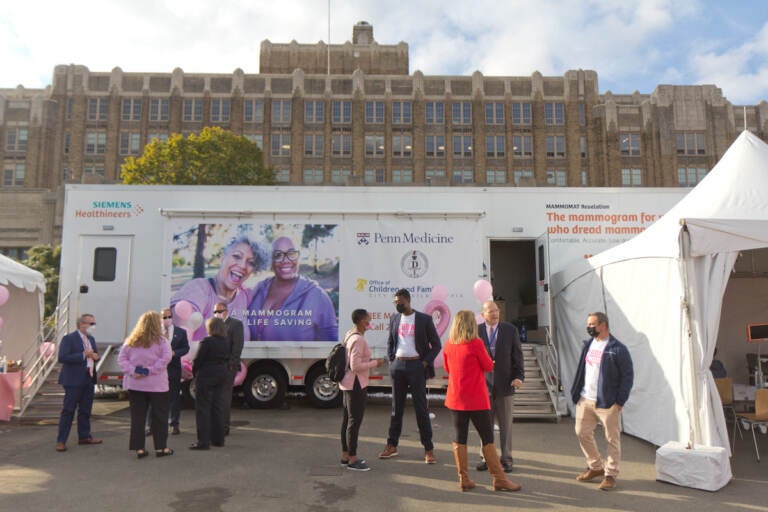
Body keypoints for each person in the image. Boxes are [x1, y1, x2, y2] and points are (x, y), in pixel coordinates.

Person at [443, 310, 521, 492]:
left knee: (459, 438)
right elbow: (487, 366)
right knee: (487, 438)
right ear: (471, 324)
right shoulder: (476, 343)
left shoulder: (448, 344)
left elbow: (448, 368)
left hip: (456, 399)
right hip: (476, 400)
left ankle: (464, 479)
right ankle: (499, 479)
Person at [571, 311, 634, 491]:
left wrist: (619, 401)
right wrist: (577, 393)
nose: (588, 328)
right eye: (588, 324)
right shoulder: (588, 345)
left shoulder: (618, 349)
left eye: (592, 324)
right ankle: (596, 466)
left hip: (608, 403)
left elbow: (627, 377)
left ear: (603, 325)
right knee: (581, 432)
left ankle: (610, 474)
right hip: (585, 399)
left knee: (612, 439)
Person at [379, 288, 441, 464]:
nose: (396, 304)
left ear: (407, 300)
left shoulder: (424, 319)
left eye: (398, 301)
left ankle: (428, 449)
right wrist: (392, 359)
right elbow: (390, 341)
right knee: (395, 408)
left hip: (416, 366)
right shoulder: (394, 318)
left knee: (421, 409)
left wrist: (424, 363)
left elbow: (436, 345)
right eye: (395, 302)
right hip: (398, 366)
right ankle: (392, 445)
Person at [171, 235, 261, 341]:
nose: (242, 266)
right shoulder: (199, 288)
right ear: (222, 258)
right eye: (237, 256)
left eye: (250, 263)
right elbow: (179, 321)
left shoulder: (246, 296)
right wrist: (187, 324)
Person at [248, 236, 337, 342]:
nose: (285, 260)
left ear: (298, 257)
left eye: (291, 253)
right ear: (271, 260)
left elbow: (331, 347)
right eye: (278, 255)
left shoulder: (318, 296)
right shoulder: (259, 289)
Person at [476, 300, 524, 473]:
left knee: (506, 426)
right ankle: (486, 458)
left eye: (496, 310)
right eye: (490, 311)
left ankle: (507, 459)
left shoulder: (510, 330)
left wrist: (519, 376)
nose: (495, 314)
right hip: (483, 387)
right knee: (485, 426)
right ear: (483, 315)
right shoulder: (477, 331)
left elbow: (518, 356)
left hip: (505, 385)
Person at [119, 311, 174, 458]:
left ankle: (139, 449)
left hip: (136, 385)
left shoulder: (131, 340)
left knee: (138, 418)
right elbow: (166, 358)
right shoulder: (162, 341)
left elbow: (122, 359)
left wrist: (133, 371)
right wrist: (150, 370)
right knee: (160, 417)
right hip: (157, 386)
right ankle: (161, 448)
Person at [339, 309, 385, 472]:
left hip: (348, 383)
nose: (370, 321)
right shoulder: (358, 339)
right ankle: (353, 459)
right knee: (354, 421)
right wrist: (375, 363)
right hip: (356, 384)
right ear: (360, 321)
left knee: (348, 420)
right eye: (367, 318)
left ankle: (346, 456)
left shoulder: (350, 335)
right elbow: (355, 366)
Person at [55, 313, 102, 452]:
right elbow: (62, 357)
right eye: (91, 323)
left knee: (85, 410)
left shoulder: (91, 339)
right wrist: (83, 355)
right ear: (82, 324)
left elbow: (93, 356)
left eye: (94, 323)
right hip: (73, 380)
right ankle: (61, 440)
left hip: (88, 378)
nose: (93, 326)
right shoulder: (69, 339)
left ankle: (84, 436)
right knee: (68, 410)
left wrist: (95, 357)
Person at [190, 317, 230, 450]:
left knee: (203, 409)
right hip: (222, 374)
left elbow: (198, 360)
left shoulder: (207, 342)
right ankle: (218, 440)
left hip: (207, 376)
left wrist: (195, 374)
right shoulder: (225, 341)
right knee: (217, 408)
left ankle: (203, 442)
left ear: (210, 328)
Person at [214, 302, 244, 435]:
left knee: (224, 398)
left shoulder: (235, 324)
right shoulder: (214, 325)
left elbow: (237, 347)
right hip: (215, 368)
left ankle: (224, 426)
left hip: (228, 368)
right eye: (215, 312)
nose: (217, 314)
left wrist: (231, 365)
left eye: (219, 311)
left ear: (226, 311)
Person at [163, 307, 189, 435]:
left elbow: (186, 348)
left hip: (173, 370)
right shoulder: (156, 333)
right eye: (164, 317)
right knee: (155, 399)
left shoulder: (181, 332)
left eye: (169, 317)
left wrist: (175, 353)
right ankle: (151, 425)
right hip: (158, 371)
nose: (167, 319)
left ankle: (174, 424)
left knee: (174, 398)